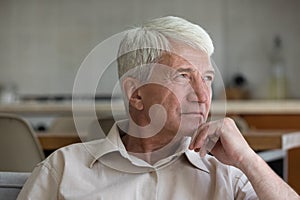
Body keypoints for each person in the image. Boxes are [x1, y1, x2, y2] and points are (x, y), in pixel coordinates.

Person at [17, 16, 299, 200]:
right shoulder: (63, 170)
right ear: (136, 94)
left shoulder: (227, 174)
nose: (203, 95)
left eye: (208, 79)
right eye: (183, 76)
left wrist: (249, 159)